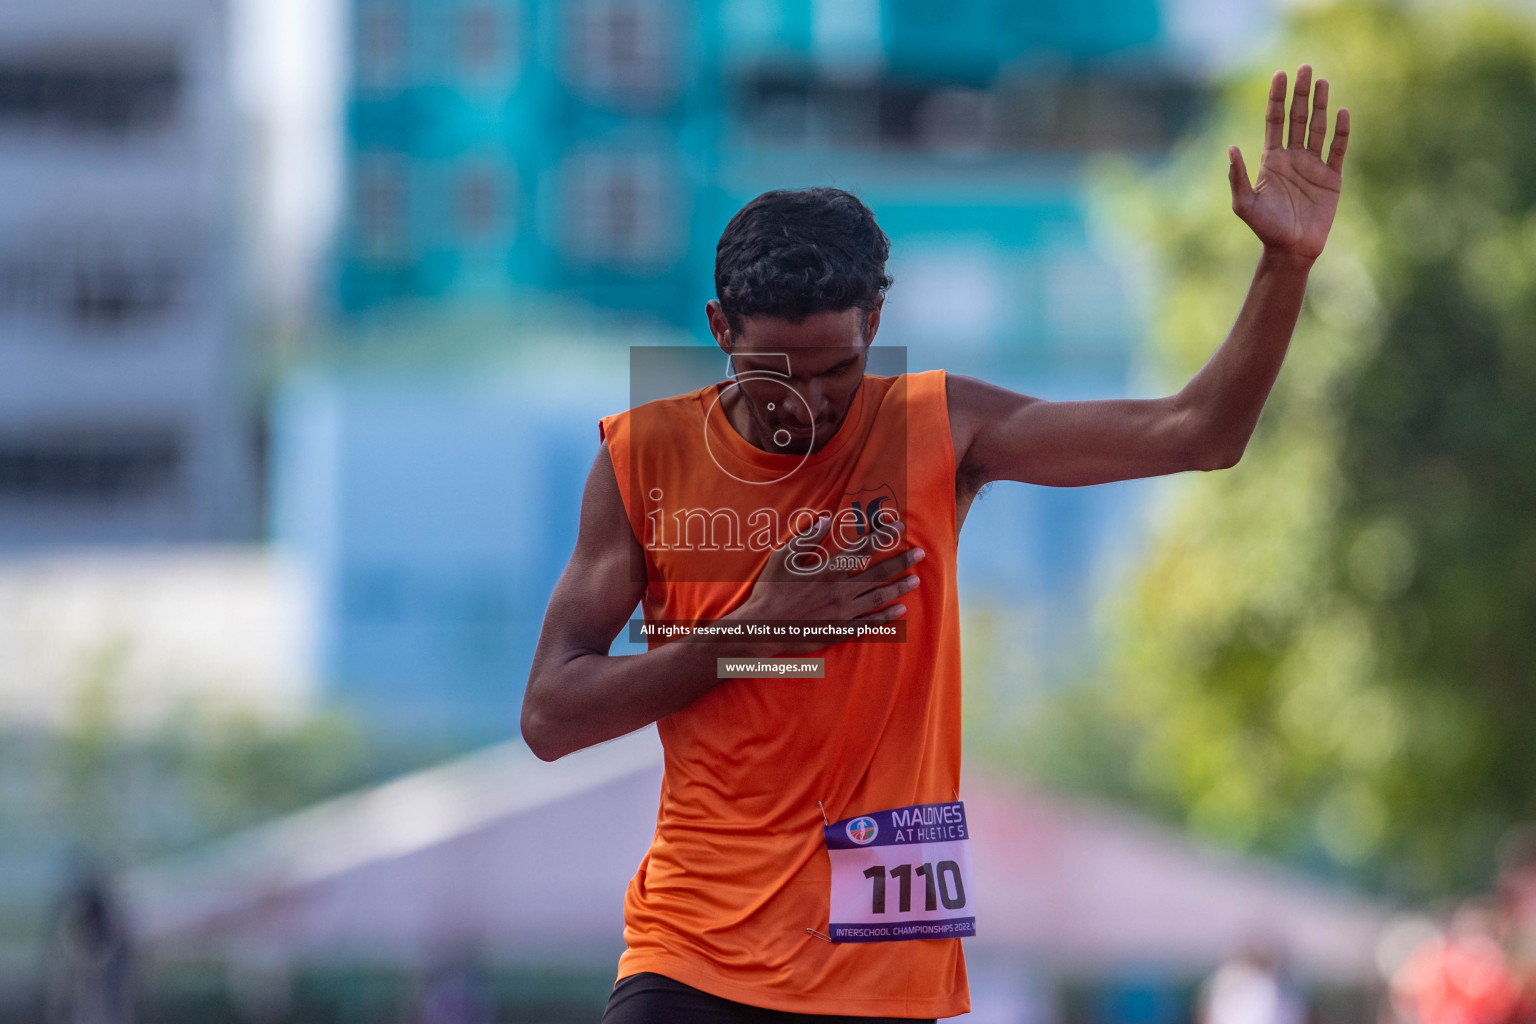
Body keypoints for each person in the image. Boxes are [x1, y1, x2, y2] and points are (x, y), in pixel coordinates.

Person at [522, 66, 1349, 1023]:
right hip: (691, 961)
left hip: (884, 973)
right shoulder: (643, 461)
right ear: (718, 331)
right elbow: (552, 715)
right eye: (770, 373)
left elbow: (1198, 433)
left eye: (838, 369)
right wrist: (759, 629)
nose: (810, 401)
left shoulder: (937, 429)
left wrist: (1284, 265)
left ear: (876, 325)